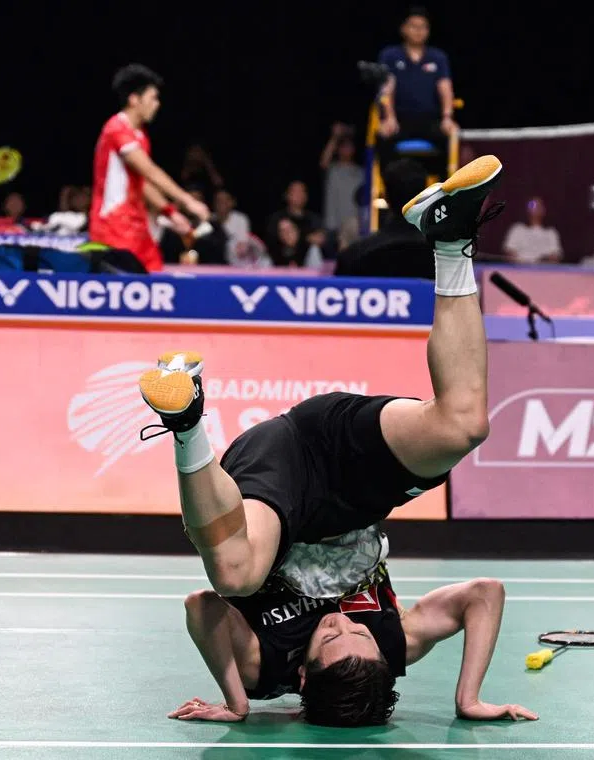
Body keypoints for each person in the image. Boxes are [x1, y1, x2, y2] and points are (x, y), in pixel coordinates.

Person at [138, 155, 534, 727]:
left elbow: (201, 609)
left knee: (234, 575)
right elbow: (484, 593)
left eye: (330, 639)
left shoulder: (266, 665)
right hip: (346, 473)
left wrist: (237, 699)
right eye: (360, 634)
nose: (344, 622)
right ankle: (448, 238)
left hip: (283, 486)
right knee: (464, 427)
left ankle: (187, 419)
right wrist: (468, 698)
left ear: (302, 676)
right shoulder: (394, 643)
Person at [89, 64, 210, 272]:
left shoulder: (140, 136)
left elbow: (142, 184)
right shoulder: (116, 129)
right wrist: (188, 201)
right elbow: (149, 171)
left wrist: (170, 212)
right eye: (153, 98)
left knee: (157, 284)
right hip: (113, 228)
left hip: (138, 229)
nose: (157, 104)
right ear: (134, 99)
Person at [376, 6, 457, 177]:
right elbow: (386, 89)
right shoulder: (390, 55)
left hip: (429, 120)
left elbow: (445, 89)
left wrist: (447, 118)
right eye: (414, 26)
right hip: (400, 119)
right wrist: (389, 117)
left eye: (423, 27)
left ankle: (445, 194)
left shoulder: (437, 57)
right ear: (403, 28)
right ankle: (389, 192)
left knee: (452, 138)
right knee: (383, 137)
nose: (419, 31)